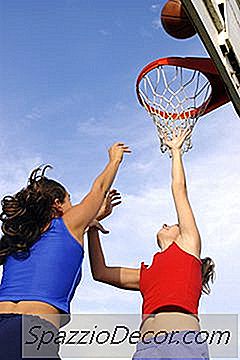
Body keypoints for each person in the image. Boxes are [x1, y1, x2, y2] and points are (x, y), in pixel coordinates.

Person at [87, 128, 215, 359]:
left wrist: (176, 151)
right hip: (145, 349)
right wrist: (92, 227)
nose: (167, 223)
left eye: (174, 224)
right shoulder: (147, 272)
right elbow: (101, 272)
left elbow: (179, 191)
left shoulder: (188, 245)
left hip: (182, 345)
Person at [0, 142, 130, 360]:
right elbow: (98, 189)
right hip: (33, 332)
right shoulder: (67, 225)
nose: (74, 206)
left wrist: (93, 220)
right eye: (70, 200)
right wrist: (114, 160)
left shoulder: (18, 239)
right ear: (58, 204)